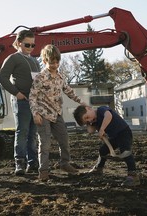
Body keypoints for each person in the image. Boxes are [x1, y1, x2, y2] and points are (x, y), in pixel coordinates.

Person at [29, 44, 83, 181]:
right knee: (45, 144)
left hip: (57, 114)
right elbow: (32, 96)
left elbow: (68, 91)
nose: (55, 64)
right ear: (45, 61)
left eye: (57, 62)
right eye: (51, 62)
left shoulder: (60, 77)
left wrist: (81, 102)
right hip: (43, 114)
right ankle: (44, 171)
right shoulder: (40, 78)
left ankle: (64, 163)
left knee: (64, 139)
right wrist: (35, 113)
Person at [0, 29, 40, 175]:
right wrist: (17, 93)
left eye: (32, 45)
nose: (30, 48)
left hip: (34, 102)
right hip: (21, 101)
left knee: (33, 133)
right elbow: (2, 77)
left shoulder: (35, 60)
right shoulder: (13, 58)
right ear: (18, 43)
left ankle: (33, 163)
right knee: (22, 131)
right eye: (27, 45)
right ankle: (20, 163)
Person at [73, 105, 141, 186]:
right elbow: (90, 131)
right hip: (114, 137)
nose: (90, 120)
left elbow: (109, 116)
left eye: (87, 117)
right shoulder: (94, 121)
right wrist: (89, 123)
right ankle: (99, 169)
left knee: (126, 153)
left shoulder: (101, 110)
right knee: (103, 150)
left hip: (123, 132)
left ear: (88, 108)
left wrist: (102, 129)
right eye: (87, 121)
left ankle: (133, 176)